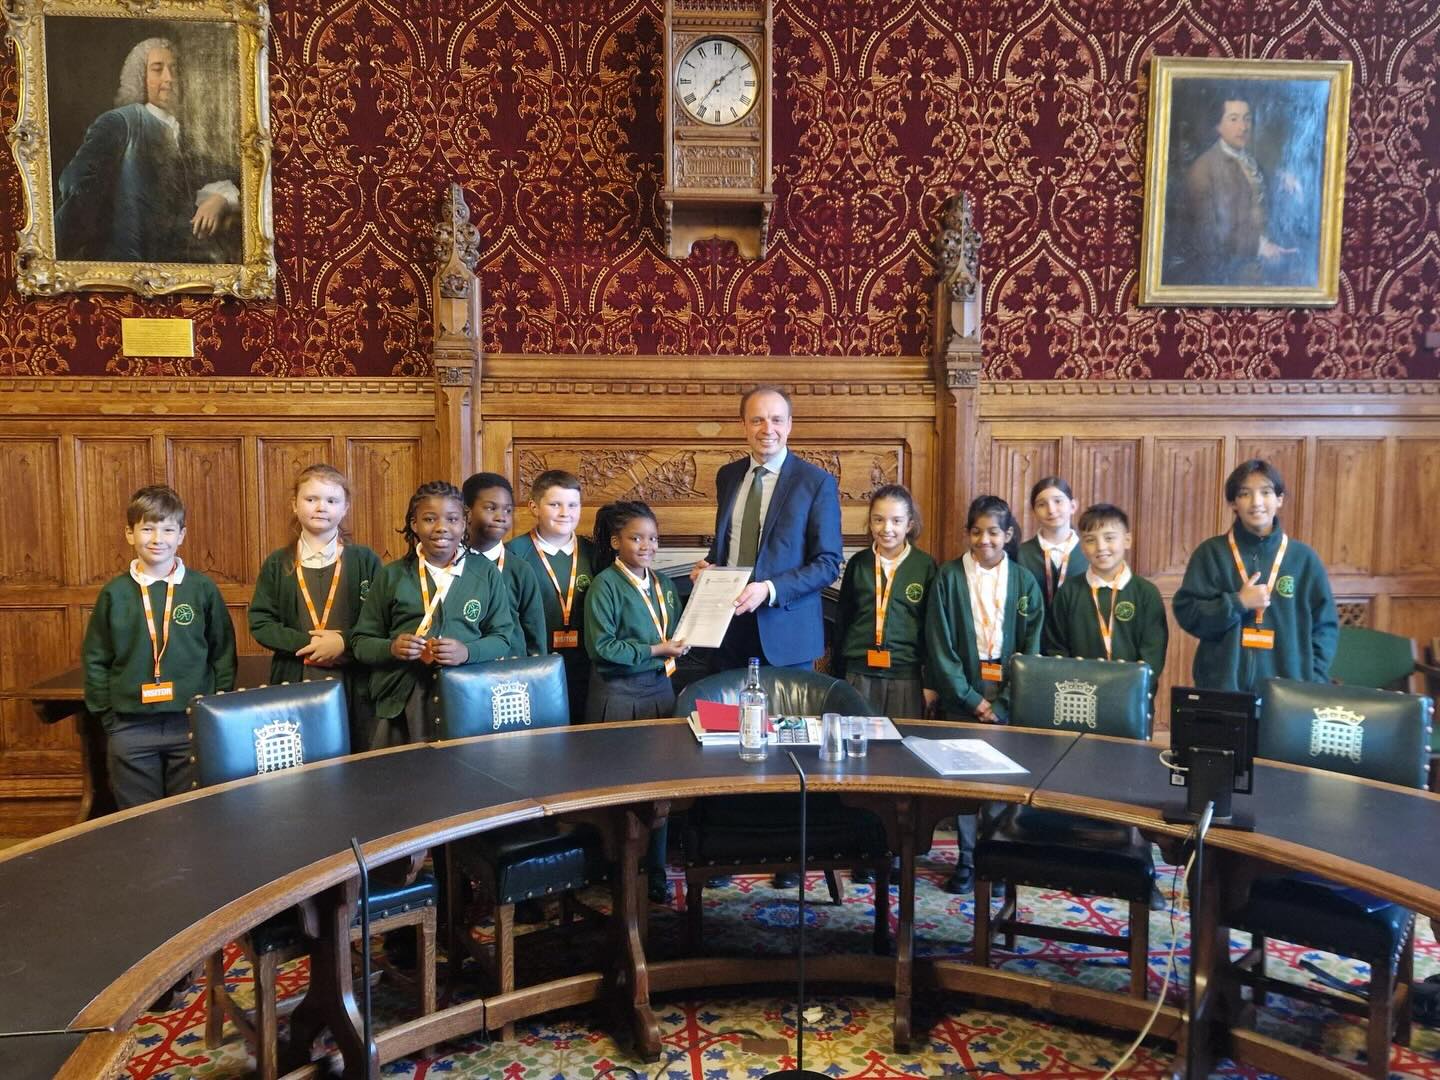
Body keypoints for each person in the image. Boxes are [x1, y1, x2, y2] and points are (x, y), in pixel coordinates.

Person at [81, 484, 236, 809]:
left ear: (181, 535)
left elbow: (222, 650)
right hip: (130, 727)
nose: (157, 538)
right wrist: (109, 718)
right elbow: (96, 658)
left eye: (167, 529)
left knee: (192, 812)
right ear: (129, 533)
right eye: (147, 528)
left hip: (190, 723)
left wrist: (213, 706)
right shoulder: (114, 593)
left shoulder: (201, 588)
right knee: (139, 818)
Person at [925, 494, 1043, 894]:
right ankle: (967, 859)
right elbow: (940, 645)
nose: (984, 540)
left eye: (993, 532)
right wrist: (970, 698)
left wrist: (1006, 701)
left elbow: (1032, 646)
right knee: (965, 779)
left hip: (1009, 690)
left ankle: (996, 858)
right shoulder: (949, 577)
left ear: (1008, 535)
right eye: (976, 531)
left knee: (1000, 778)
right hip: (964, 690)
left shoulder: (1025, 581)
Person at [349, 480, 519, 746]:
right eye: (429, 519)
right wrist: (391, 648)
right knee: (405, 779)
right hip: (401, 701)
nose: (441, 527)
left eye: (452, 519)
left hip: (467, 695)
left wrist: (467, 652)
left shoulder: (484, 573)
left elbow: (502, 637)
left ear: (464, 524)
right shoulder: (391, 575)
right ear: (414, 525)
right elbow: (360, 643)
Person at [692, 385, 844, 671]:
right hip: (729, 627)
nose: (767, 429)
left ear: (789, 425)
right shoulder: (728, 476)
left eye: (776, 419)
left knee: (785, 717)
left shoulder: (815, 483)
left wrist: (769, 589)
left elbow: (828, 564)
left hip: (786, 634)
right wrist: (708, 568)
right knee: (726, 715)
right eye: (757, 420)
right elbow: (728, 544)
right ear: (743, 425)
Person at [54, 37, 240, 264]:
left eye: (174, 69)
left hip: (178, 266)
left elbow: (223, 178)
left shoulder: (185, 135)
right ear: (140, 76)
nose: (169, 78)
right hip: (124, 263)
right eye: (157, 69)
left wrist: (219, 198)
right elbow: (74, 182)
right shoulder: (121, 122)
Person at [585, 501, 688, 903]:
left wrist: (683, 641)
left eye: (652, 538)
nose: (646, 545)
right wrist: (655, 649)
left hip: (660, 694)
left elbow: (676, 630)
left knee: (661, 790)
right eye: (636, 537)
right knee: (622, 790)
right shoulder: (604, 586)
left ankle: (657, 872)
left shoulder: (663, 584)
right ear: (616, 542)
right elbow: (602, 648)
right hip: (619, 696)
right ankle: (618, 872)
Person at [1174, 460, 1337, 695]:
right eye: (1245, 494)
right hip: (1222, 690)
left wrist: (1311, 676)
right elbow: (1188, 614)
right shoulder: (1211, 553)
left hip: (1288, 694)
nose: (1256, 502)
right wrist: (1237, 603)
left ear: (1279, 499)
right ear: (1233, 503)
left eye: (1266, 492)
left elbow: (1326, 625)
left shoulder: (1304, 559)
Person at [248, 464, 383, 750]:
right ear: (294, 505)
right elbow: (261, 622)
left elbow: (381, 619)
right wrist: (309, 644)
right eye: (311, 499)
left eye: (332, 500)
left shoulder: (364, 560)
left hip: (354, 681)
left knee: (356, 760)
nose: (321, 507)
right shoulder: (278, 563)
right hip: (295, 676)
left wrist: (343, 643)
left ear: (345, 507)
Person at [832, 484, 937, 720]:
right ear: (870, 523)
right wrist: (838, 676)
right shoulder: (858, 563)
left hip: (905, 676)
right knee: (857, 745)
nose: (887, 528)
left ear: (909, 524)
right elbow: (843, 622)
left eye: (896, 521)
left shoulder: (925, 566)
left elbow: (932, 630)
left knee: (900, 745)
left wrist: (930, 682)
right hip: (858, 673)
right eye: (878, 520)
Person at [1043, 503, 1168, 700]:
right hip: (1080, 697)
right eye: (1090, 540)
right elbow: (1056, 650)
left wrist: (1128, 691)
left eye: (1109, 538)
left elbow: (1153, 656)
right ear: (1082, 547)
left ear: (1127, 540)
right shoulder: (1069, 592)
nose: (1101, 547)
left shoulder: (1146, 593)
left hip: (1131, 700)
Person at [1181, 95, 1301, 284]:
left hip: (1264, 259)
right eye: (1234, 119)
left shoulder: (1248, 159)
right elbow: (1210, 236)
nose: (1243, 127)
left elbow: (1254, 187)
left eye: (1247, 118)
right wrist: (1260, 247)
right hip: (1229, 271)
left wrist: (1281, 177)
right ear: (1218, 126)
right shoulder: (1203, 169)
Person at [506, 470, 595, 719]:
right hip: (534, 667)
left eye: (572, 505)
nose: (565, 513)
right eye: (555, 504)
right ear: (534, 507)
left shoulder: (593, 553)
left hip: (585, 666)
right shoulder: (513, 553)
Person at [462, 472, 548, 657]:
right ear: (467, 512)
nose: (501, 517)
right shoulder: (452, 565)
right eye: (491, 508)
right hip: (466, 672)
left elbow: (535, 633)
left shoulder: (520, 569)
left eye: (508, 510)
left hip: (511, 675)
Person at [1016, 476, 1087, 606]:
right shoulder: (1021, 554)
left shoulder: (1090, 552)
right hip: (1034, 626)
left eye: (1058, 501)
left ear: (1072, 506)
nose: (1051, 510)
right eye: (1041, 505)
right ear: (1034, 512)